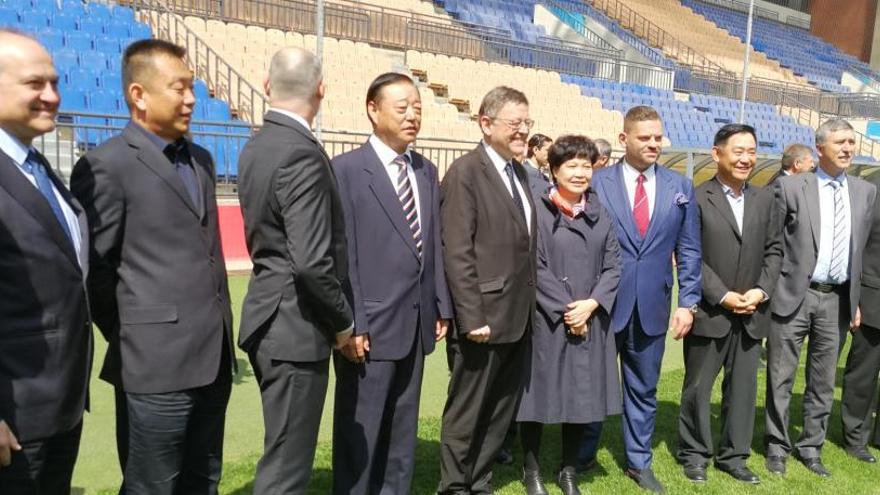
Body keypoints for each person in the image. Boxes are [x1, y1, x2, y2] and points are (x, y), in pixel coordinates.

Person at [71, 39, 235, 494]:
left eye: (192, 88)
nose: (190, 99)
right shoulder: (106, 165)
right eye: (178, 88)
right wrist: (138, 331)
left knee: (204, 480)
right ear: (138, 95)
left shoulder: (199, 159)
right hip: (153, 367)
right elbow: (93, 271)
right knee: (152, 485)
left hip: (213, 359)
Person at [236, 47, 354, 495]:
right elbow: (310, 262)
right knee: (286, 467)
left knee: (283, 452)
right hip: (294, 326)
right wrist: (343, 323)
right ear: (321, 89)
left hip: (271, 316)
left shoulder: (258, 143)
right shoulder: (300, 152)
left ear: (268, 87)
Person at [330, 72, 452, 494]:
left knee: (402, 432)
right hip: (369, 328)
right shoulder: (345, 170)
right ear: (372, 109)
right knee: (360, 432)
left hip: (415, 322)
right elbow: (343, 256)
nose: (412, 115)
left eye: (417, 107)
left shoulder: (425, 170)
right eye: (402, 107)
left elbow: (432, 244)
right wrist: (352, 323)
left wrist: (441, 305)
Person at [580, 105, 701, 493]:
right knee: (594, 383)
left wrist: (688, 302)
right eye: (644, 137)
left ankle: (638, 461)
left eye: (657, 137)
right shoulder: (597, 182)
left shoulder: (680, 187)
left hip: (652, 304)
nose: (653, 144)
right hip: (604, 303)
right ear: (623, 139)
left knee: (644, 388)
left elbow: (689, 249)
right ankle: (582, 454)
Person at [0, 29, 91, 494]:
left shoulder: (38, 168)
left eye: (54, 82)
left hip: (59, 407)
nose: (52, 96)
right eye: (35, 84)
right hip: (13, 420)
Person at [438, 86, 538, 495]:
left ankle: (479, 479)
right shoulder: (466, 172)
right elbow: (457, 251)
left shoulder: (519, 172)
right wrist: (471, 316)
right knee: (468, 409)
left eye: (527, 124)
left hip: (518, 316)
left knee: (500, 408)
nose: (523, 132)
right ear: (486, 123)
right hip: (483, 318)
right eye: (515, 124)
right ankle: (454, 485)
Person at [764, 119, 876, 478]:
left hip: (837, 300)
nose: (847, 148)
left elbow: (862, 251)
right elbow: (774, 243)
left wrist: (856, 299)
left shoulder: (864, 192)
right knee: (781, 375)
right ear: (820, 148)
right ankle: (776, 446)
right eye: (840, 142)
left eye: (851, 143)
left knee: (823, 380)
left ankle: (811, 447)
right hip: (794, 295)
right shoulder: (793, 187)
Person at [676, 124, 782, 485]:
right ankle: (694, 453)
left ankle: (734, 456)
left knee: (743, 389)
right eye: (738, 150)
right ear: (717, 153)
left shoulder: (766, 199)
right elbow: (691, 255)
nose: (746, 158)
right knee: (698, 387)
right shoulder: (696, 196)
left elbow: (775, 251)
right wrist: (721, 294)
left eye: (751, 151)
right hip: (712, 311)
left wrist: (760, 291)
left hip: (753, 311)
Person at [517, 135, 621, 495]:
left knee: (581, 398)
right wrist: (567, 308)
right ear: (554, 169)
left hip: (589, 319)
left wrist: (590, 305)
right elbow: (535, 266)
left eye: (586, 165)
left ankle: (568, 472)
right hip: (547, 319)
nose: (580, 173)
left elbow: (613, 265)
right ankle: (531, 472)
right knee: (536, 398)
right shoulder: (537, 210)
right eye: (571, 165)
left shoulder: (599, 211)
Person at [841, 164, 880, 464]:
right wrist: (855, 298)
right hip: (872, 296)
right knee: (863, 372)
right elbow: (855, 245)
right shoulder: (869, 188)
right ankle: (855, 436)